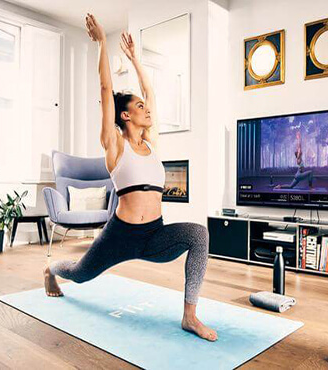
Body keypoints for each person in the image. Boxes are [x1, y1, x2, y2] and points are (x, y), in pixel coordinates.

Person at [43, 13, 217, 342]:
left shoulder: (152, 145)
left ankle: (190, 316)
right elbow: (106, 87)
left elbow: (152, 94)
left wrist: (137, 60)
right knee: (80, 274)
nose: (147, 109)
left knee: (199, 235)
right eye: (139, 106)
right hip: (120, 235)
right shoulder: (114, 144)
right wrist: (101, 44)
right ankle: (51, 269)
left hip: (154, 235)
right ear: (125, 115)